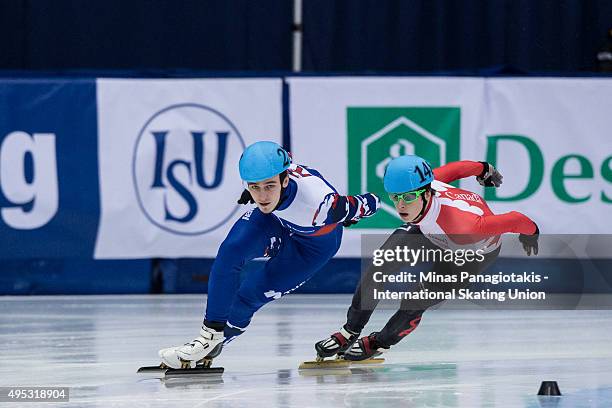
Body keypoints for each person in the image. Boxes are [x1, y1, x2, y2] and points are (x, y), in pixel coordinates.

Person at [158, 141, 380, 368]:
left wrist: (357, 211)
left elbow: (369, 203)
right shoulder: (275, 174)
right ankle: (210, 337)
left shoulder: (320, 204)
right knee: (230, 253)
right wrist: (259, 188)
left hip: (312, 247)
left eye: (269, 186)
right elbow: (273, 170)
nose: (262, 196)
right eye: (254, 187)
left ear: (286, 180)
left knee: (248, 295)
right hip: (276, 220)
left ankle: (221, 341)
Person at [314, 155, 540, 361]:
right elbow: (457, 168)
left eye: (409, 197)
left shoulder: (467, 228)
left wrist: (532, 234)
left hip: (469, 254)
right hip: (431, 231)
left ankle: (380, 342)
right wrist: (483, 169)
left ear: (428, 192)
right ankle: (350, 331)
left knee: (415, 301)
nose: (401, 205)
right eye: (395, 197)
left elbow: (515, 219)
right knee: (380, 266)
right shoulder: (428, 182)